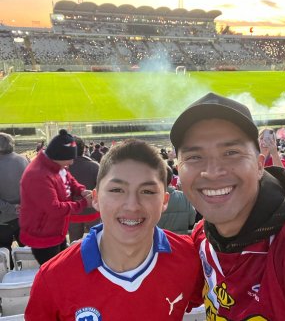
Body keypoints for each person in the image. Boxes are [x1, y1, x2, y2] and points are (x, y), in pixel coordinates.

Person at [170, 92, 285, 320]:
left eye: (231, 153)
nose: (213, 172)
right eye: (194, 157)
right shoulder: (202, 239)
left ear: (259, 166)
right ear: (179, 169)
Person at [25, 139, 203, 320]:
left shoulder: (191, 258)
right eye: (117, 190)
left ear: (164, 201)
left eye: (147, 191)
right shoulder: (52, 278)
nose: (132, 206)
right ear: (95, 198)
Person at [20, 129, 93, 265]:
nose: (71, 162)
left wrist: (81, 190)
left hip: (56, 232)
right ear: (58, 156)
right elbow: (54, 209)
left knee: (62, 267)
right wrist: (83, 203)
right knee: (53, 273)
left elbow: (69, 180)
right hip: (43, 237)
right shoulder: (37, 175)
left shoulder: (56, 165)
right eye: (69, 159)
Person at [0, 133, 29, 268]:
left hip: (4, 220)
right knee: (27, 253)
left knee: (4, 257)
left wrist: (13, 208)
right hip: (22, 216)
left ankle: (11, 283)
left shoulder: (22, 160)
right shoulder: (23, 160)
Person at [68, 136, 101, 242]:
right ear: (84, 149)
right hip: (92, 212)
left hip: (72, 213)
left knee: (73, 245)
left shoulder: (61, 169)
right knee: (96, 242)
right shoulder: (95, 166)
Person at [157, 166, 196, 234]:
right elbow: (192, 221)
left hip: (158, 242)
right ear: (171, 178)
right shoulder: (184, 196)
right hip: (180, 241)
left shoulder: (150, 198)